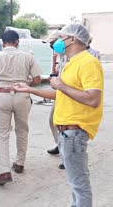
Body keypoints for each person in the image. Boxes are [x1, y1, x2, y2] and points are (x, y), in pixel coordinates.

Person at [14, 23, 103, 207]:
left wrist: (60, 85)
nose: (58, 42)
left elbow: (93, 99)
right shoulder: (72, 62)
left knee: (80, 184)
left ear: (73, 39)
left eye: (62, 38)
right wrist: (30, 89)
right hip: (65, 132)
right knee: (75, 183)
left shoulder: (88, 62)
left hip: (75, 132)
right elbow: (60, 94)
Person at [0, 30, 42, 186]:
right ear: (17, 42)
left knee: (1, 134)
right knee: (22, 130)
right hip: (22, 96)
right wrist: (25, 85)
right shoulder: (28, 57)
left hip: (2, 96)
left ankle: (4, 171)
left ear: (3, 43)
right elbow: (37, 80)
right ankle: (20, 163)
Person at [43, 31, 68, 169]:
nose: (51, 46)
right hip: (60, 93)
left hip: (68, 95)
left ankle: (67, 156)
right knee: (53, 121)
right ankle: (61, 146)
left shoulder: (72, 56)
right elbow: (57, 74)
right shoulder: (60, 55)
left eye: (52, 43)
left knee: (63, 125)